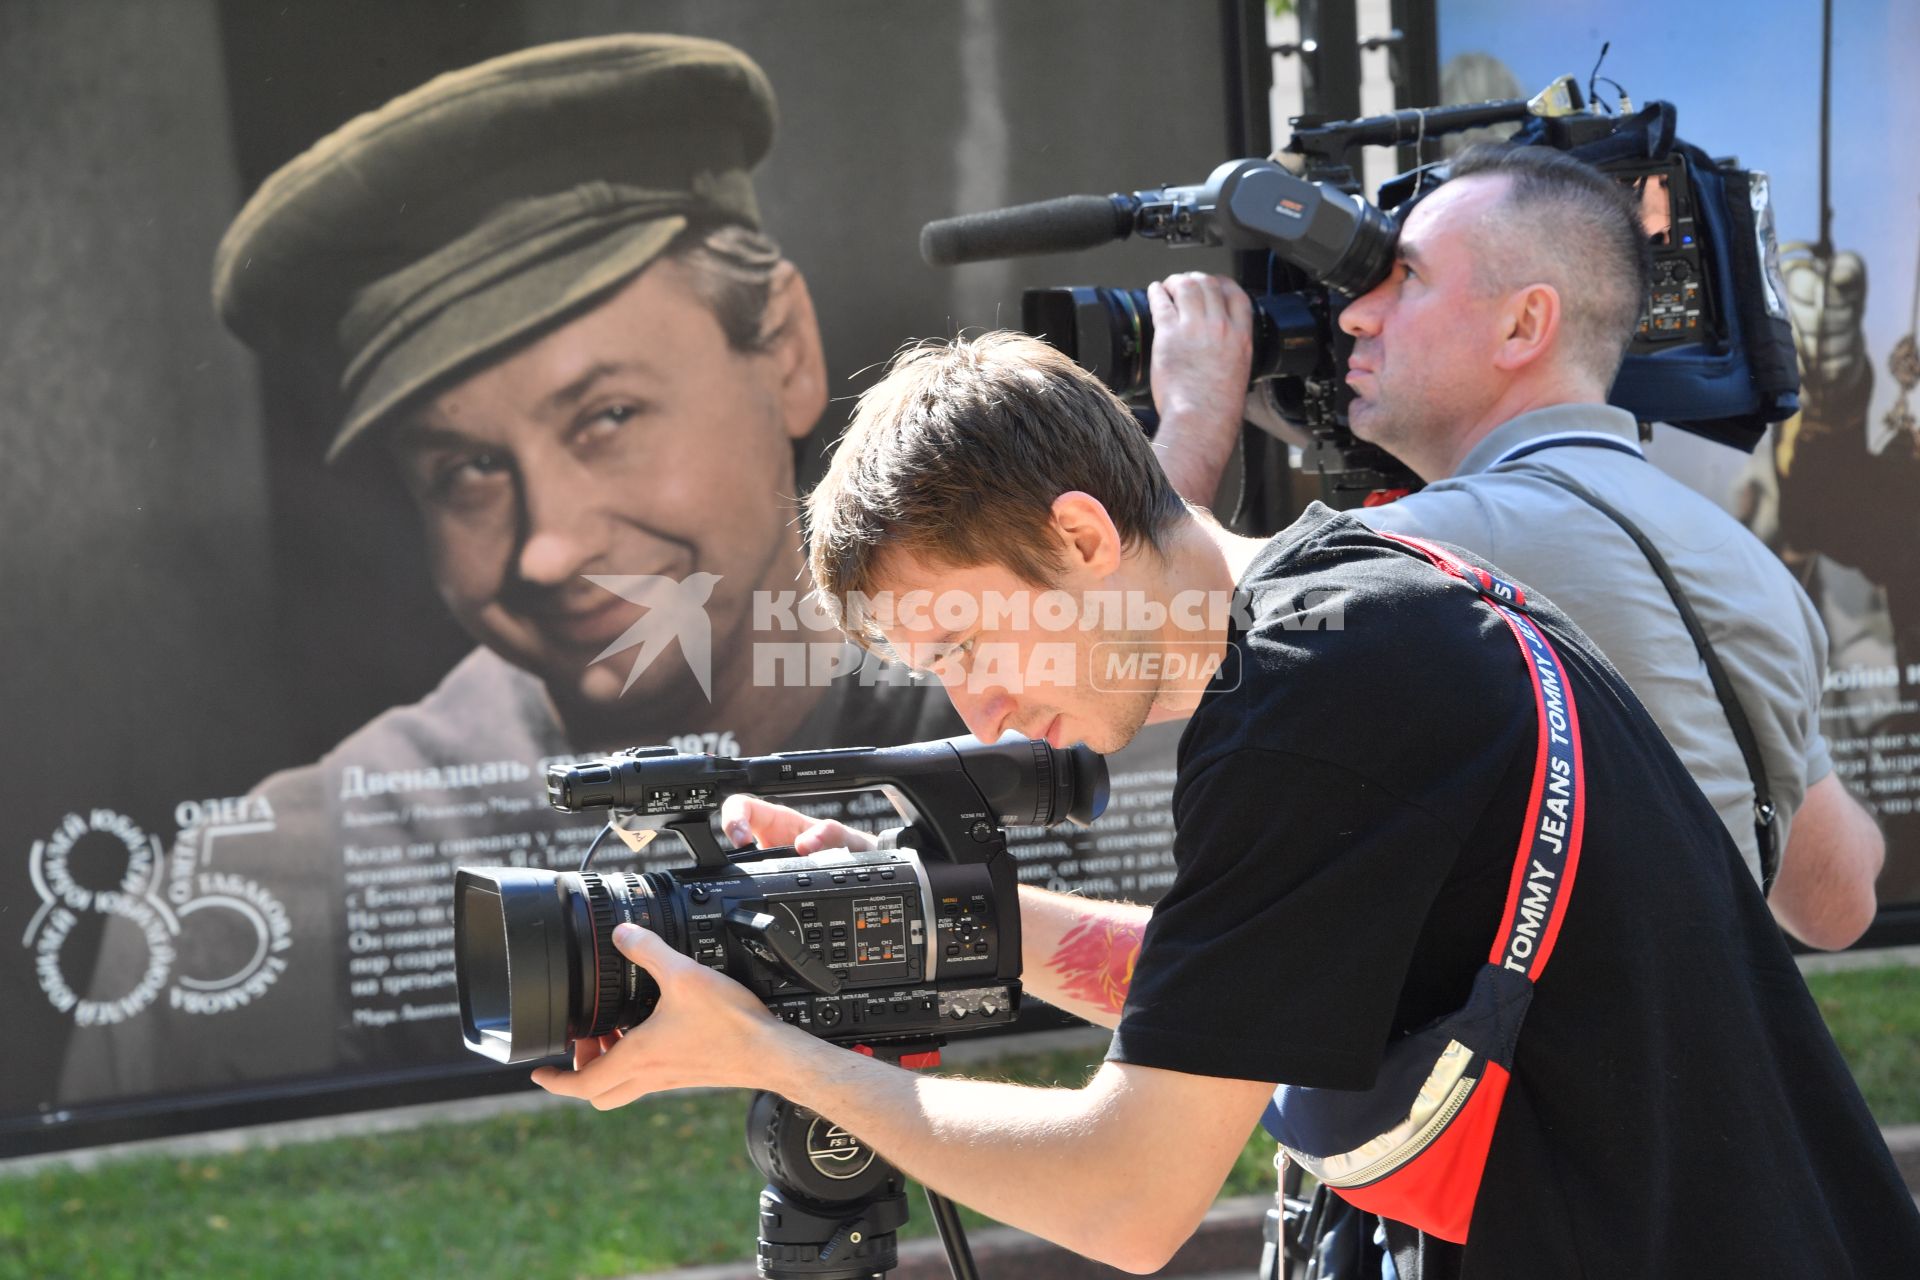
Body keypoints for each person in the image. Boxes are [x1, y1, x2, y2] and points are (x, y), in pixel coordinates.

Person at [532, 328, 1920, 1275]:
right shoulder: (1365, 620)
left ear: (1079, 536)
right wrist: (937, 916)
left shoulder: (1324, 690)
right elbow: (1239, 998)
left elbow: (1130, 1192)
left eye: (964, 646)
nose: (977, 712)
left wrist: (772, 1054)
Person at [61, 35, 1229, 1099]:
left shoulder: (1139, 717)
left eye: (608, 412)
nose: (548, 544)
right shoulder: (272, 888)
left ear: (782, 346)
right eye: (466, 465)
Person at [1160, 144, 1884, 949]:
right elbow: (1838, 904)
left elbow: (1140, 630)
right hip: (1708, 1067)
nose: (1356, 314)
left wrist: (1195, 404)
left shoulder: (1432, 555)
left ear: (1524, 324)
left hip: (1501, 1073)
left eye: (1408, 279)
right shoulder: (1747, 565)